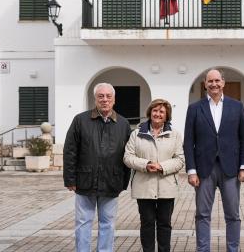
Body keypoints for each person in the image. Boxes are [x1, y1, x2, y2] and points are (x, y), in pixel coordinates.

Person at [183, 68, 244, 252]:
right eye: (210, 81)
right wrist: (191, 171)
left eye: (217, 81)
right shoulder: (194, 109)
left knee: (233, 215)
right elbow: (188, 142)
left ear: (223, 83)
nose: (214, 84)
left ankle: (233, 249)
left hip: (231, 168)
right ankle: (203, 249)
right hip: (204, 169)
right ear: (205, 84)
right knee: (202, 214)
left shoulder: (237, 106)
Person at [63, 83, 132, 252]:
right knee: (83, 222)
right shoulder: (80, 120)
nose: (105, 100)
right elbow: (70, 151)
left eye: (108, 96)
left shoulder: (123, 124)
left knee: (108, 223)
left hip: (111, 181)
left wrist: (124, 181)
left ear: (114, 99)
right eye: (101, 96)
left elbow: (128, 154)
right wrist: (70, 179)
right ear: (95, 99)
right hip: (84, 181)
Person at [123, 99, 185, 252]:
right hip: (143, 187)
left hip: (167, 187)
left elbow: (180, 159)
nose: (158, 114)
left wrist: (161, 166)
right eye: (155, 110)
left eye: (161, 112)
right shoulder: (136, 133)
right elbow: (127, 157)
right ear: (150, 113)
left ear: (166, 116)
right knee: (147, 224)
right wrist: (146, 164)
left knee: (165, 224)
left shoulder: (175, 135)